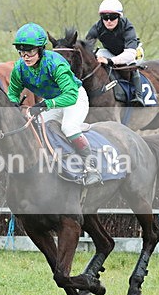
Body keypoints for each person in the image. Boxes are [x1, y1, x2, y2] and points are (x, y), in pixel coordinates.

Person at [7, 23, 101, 185]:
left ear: (41, 49)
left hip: (74, 98)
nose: (25, 56)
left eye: (30, 51)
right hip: (53, 102)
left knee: (68, 128)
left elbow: (70, 96)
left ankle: (91, 166)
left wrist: (44, 105)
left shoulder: (55, 63)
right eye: (21, 52)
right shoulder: (19, 68)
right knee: (34, 125)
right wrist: (14, 106)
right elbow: (13, 94)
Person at [85, 0, 146, 106]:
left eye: (112, 17)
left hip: (133, 53)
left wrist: (110, 61)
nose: (108, 21)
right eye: (105, 17)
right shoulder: (97, 27)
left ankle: (138, 96)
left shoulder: (128, 26)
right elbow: (87, 48)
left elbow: (130, 54)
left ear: (119, 16)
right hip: (111, 52)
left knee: (131, 65)